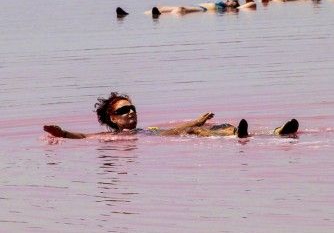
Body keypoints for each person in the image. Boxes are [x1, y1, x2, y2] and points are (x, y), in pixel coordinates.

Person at [43, 92, 298, 140]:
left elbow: (168, 132)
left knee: (210, 128)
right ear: (112, 119)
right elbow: (83, 137)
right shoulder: (111, 140)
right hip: (174, 138)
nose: (130, 112)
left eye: (132, 108)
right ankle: (240, 135)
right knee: (195, 129)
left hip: (169, 138)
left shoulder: (147, 131)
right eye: (123, 110)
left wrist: (194, 126)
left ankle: (275, 133)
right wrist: (62, 133)